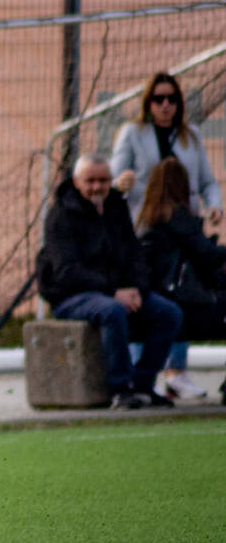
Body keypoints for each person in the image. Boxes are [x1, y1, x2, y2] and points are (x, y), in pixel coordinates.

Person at [36, 154, 182, 410]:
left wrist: (137, 288)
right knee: (112, 311)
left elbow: (134, 253)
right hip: (71, 296)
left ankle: (143, 385)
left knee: (169, 313)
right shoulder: (61, 216)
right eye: (90, 181)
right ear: (77, 182)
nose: (97, 187)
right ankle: (120, 389)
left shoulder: (116, 206)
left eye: (103, 180)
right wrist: (114, 291)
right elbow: (67, 271)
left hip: (116, 291)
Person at [110, 71, 223, 400]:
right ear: (148, 103)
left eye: (172, 99)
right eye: (158, 99)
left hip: (183, 227)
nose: (165, 105)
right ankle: (140, 370)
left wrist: (214, 205)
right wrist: (122, 183)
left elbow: (206, 181)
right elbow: (116, 178)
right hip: (145, 226)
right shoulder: (133, 134)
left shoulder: (190, 136)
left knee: (185, 288)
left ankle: (177, 371)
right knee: (151, 292)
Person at [134, 157, 226, 405]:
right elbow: (206, 255)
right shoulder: (178, 216)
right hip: (184, 304)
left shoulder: (145, 219)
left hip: (157, 298)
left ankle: (143, 382)